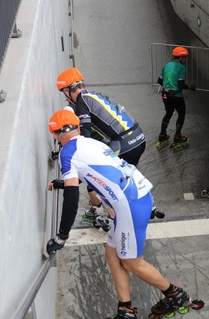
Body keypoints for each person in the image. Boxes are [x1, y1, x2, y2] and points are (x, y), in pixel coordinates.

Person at [45, 109, 194, 319]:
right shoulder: (91, 143)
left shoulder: (68, 153)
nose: (55, 139)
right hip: (137, 196)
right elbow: (104, 173)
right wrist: (63, 183)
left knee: (132, 261)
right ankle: (125, 311)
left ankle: (174, 294)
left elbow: (72, 197)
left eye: (55, 135)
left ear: (60, 133)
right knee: (112, 253)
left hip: (128, 206)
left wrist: (62, 235)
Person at [56, 67, 163, 219]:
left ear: (67, 90)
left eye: (64, 93)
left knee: (96, 173)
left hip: (124, 143)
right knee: (130, 172)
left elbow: (84, 138)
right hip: (139, 137)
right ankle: (150, 205)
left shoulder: (81, 101)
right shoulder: (93, 95)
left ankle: (110, 215)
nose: (66, 97)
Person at [157, 46, 195, 147]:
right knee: (181, 114)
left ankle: (162, 134)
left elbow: (159, 81)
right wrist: (190, 87)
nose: (185, 59)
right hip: (176, 95)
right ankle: (177, 136)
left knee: (168, 113)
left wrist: (167, 85)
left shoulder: (166, 65)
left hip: (165, 94)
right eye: (185, 57)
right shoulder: (182, 68)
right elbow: (181, 84)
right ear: (181, 57)